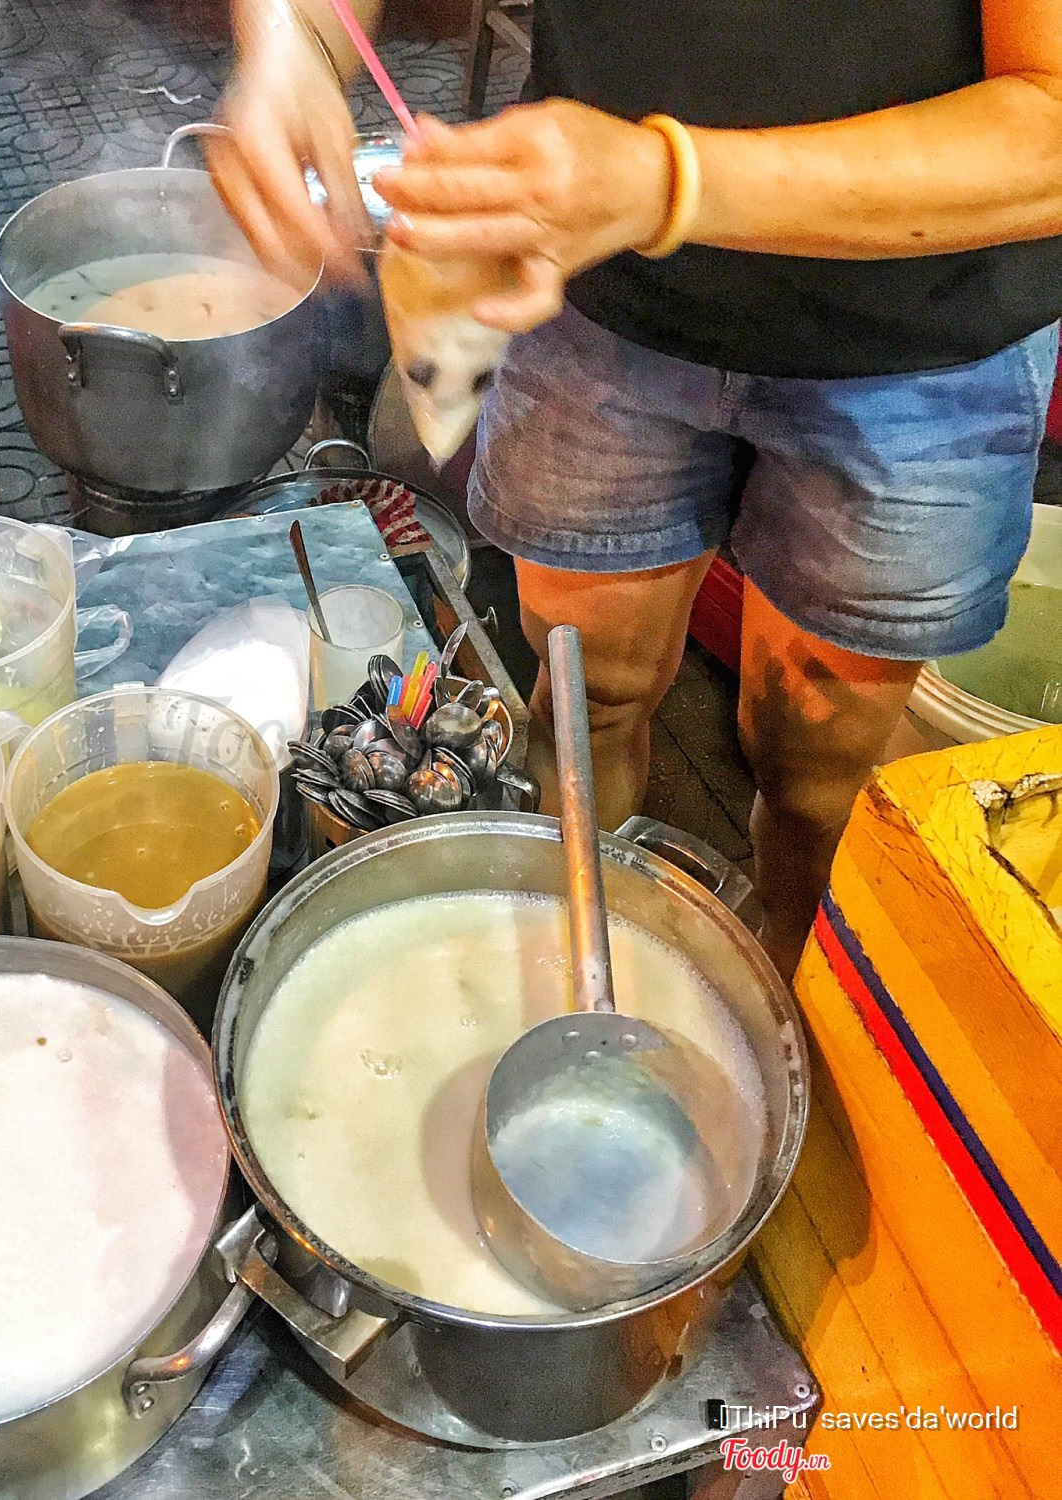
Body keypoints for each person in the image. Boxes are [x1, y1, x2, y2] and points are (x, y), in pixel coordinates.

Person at [207, 0, 1062, 977]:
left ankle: (791, 1006)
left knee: (816, 777)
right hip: (594, 292)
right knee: (586, 708)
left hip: (927, 334)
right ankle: (572, 975)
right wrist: (293, 37)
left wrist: (667, 182)